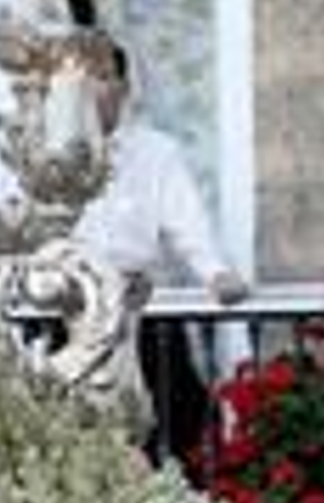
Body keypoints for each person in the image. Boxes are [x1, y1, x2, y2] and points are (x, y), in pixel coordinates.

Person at [77, 39, 249, 463]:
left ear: (123, 87)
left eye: (102, 77)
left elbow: (185, 221)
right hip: (72, 318)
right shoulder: (42, 157)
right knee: (76, 442)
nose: (91, 89)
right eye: (81, 79)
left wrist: (215, 273)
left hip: (143, 315)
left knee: (174, 428)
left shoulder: (155, 152)